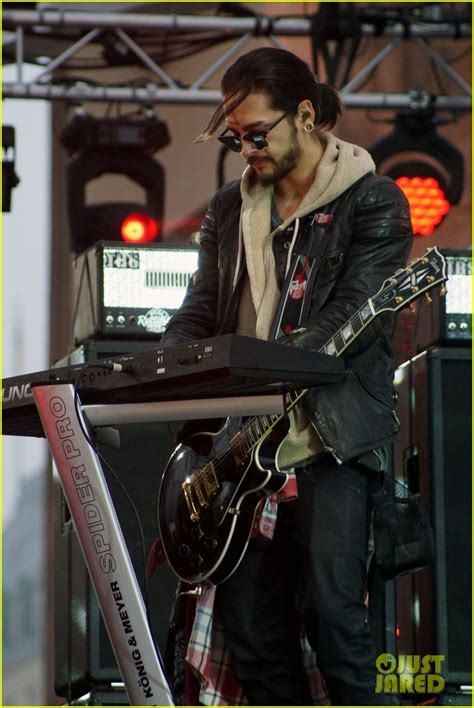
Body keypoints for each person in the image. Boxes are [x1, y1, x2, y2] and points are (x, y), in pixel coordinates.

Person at [160, 47, 413, 706]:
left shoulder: (375, 200)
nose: (247, 149)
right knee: (252, 636)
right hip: (244, 449)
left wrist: (266, 364)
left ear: (305, 115)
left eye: (258, 133)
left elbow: (354, 316)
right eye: (235, 138)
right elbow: (199, 312)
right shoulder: (228, 209)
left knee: (336, 623)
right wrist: (169, 361)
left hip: (327, 440)